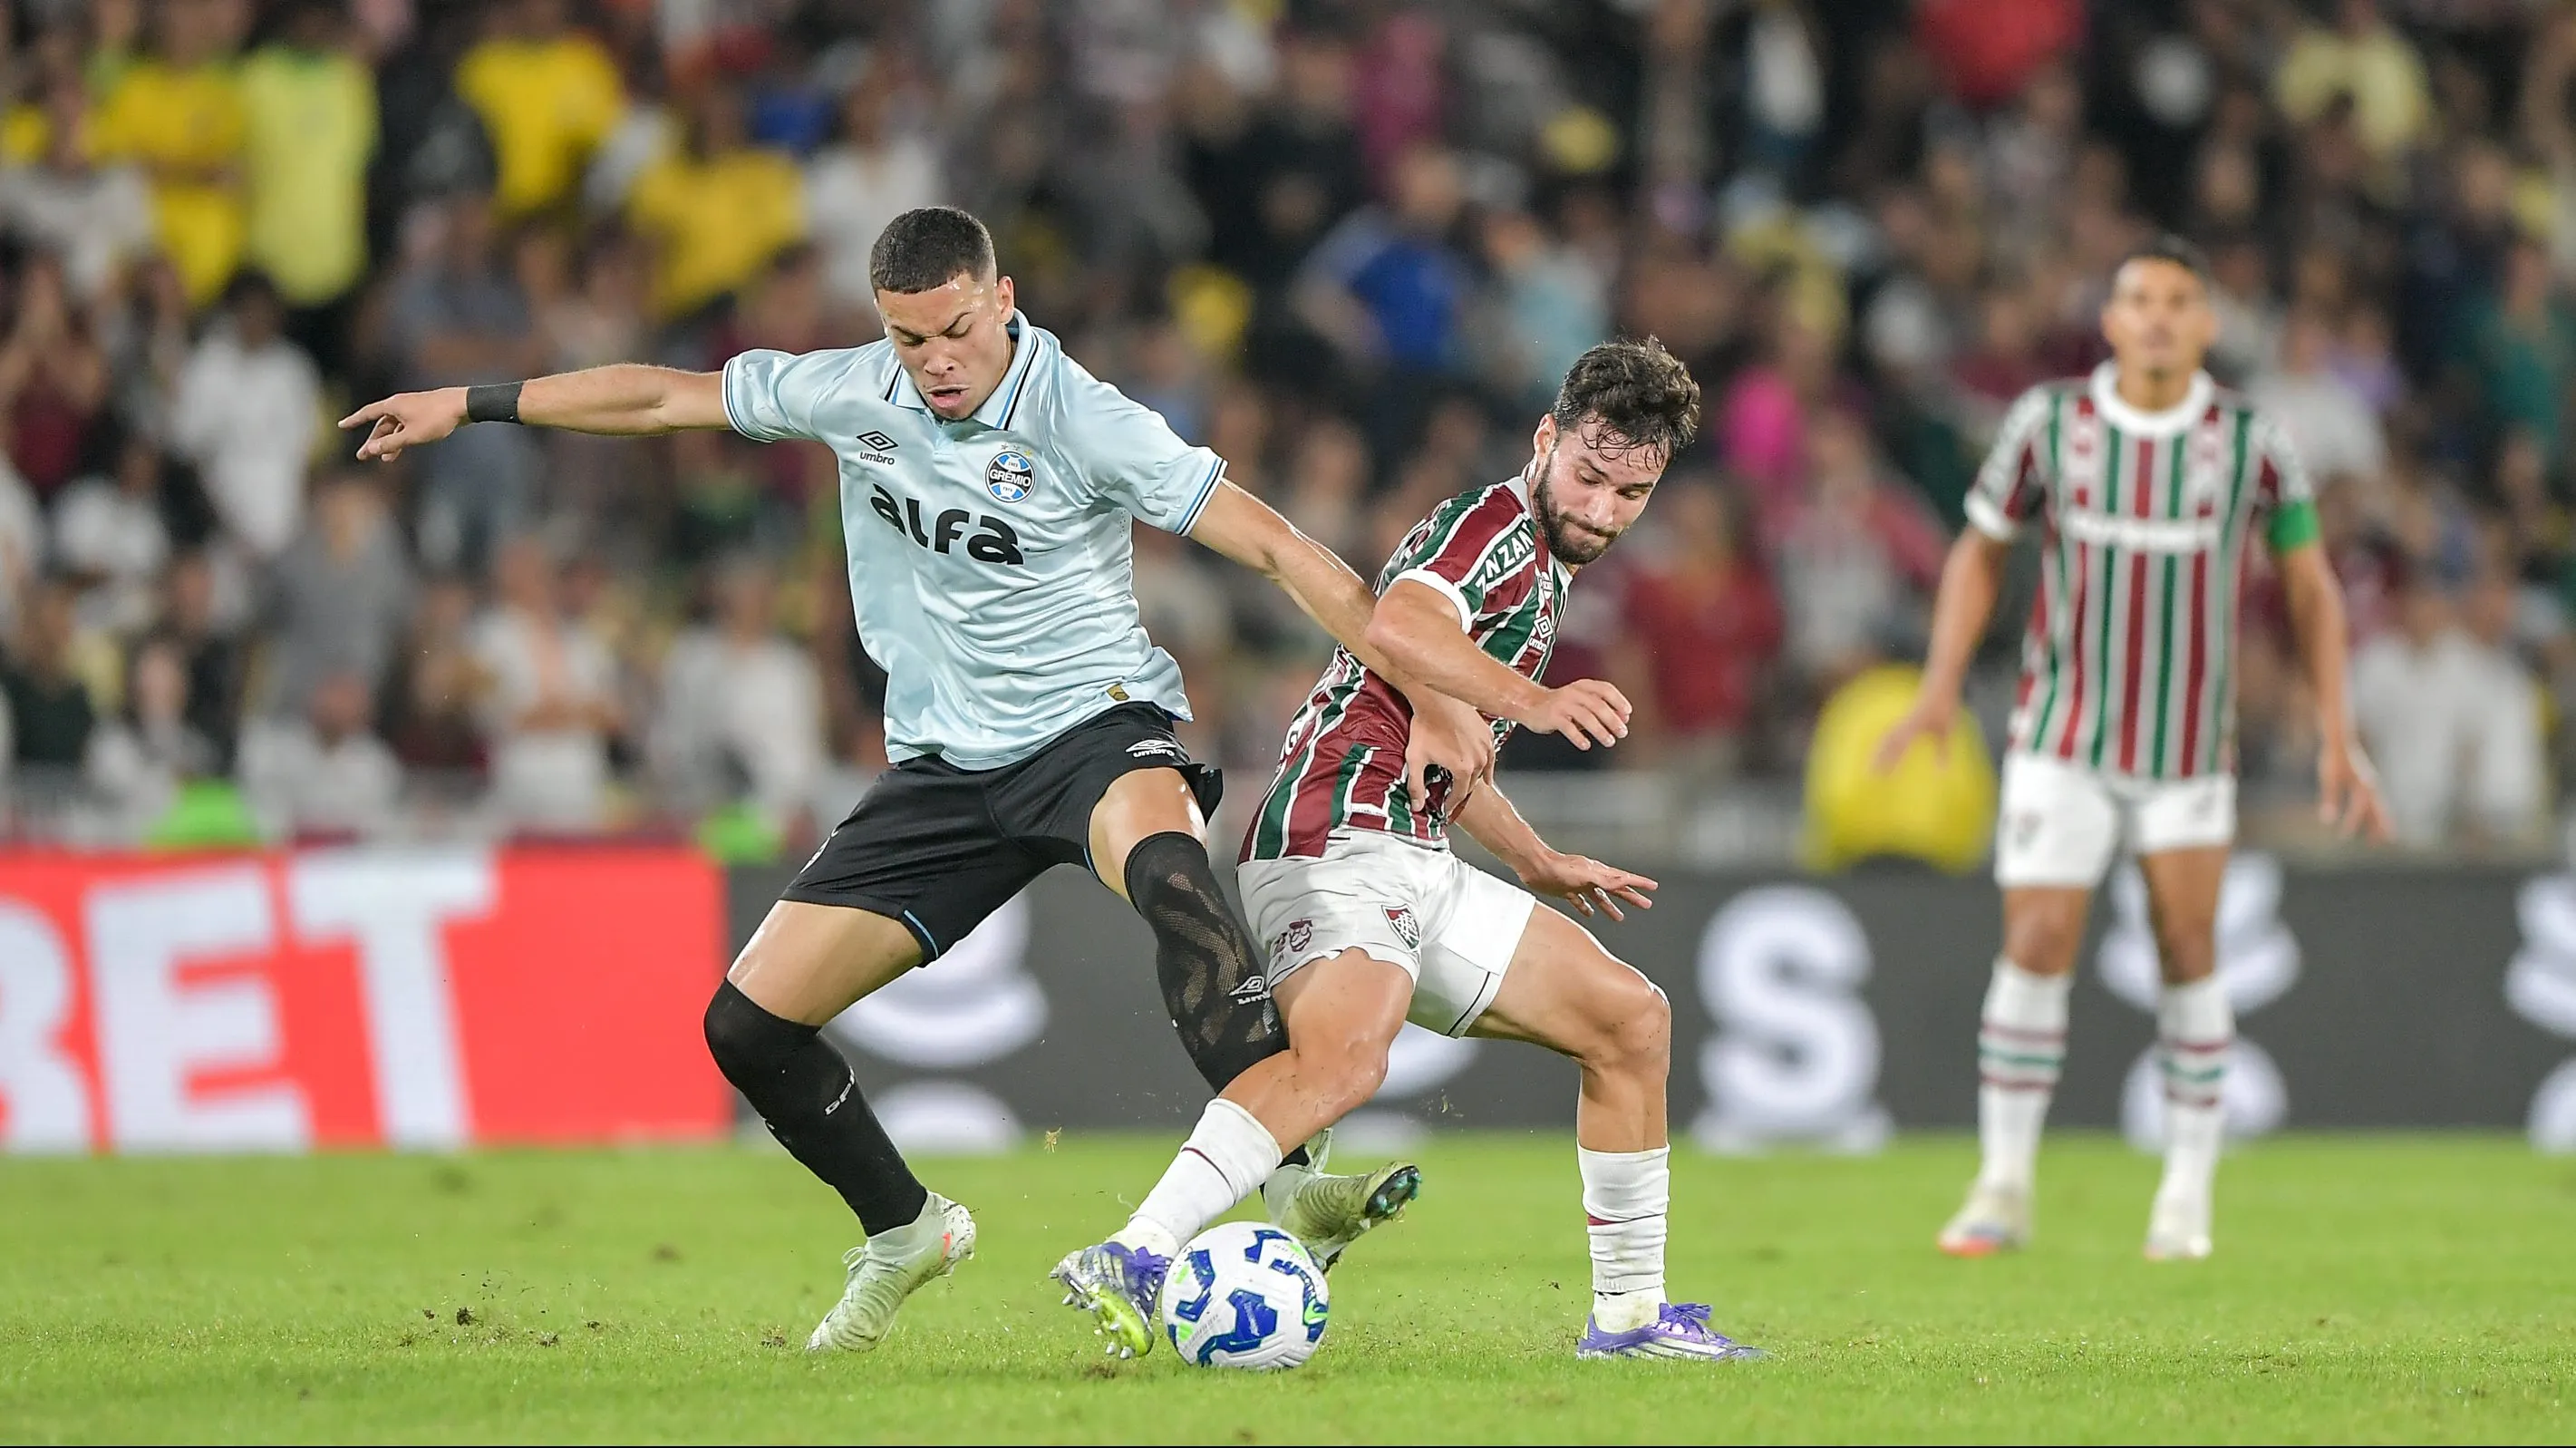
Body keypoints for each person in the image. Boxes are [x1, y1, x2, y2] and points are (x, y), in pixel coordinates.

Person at [338, 207, 1623, 1356]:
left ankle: (1296, 1185)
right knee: (745, 1026)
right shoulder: (853, 391)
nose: (933, 363)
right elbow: (662, 398)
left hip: (1095, 731)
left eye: (954, 330)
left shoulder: (1083, 418)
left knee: (1175, 879)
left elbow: (1288, 555)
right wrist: (474, 401)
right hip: (945, 768)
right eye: (908, 340)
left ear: (1002, 301)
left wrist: (1455, 690)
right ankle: (903, 1229)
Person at [1051, 340, 1764, 1364]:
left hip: (1410, 842)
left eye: (1632, 492)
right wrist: (1536, 699)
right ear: (1546, 438)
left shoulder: (1545, 564)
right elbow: (1399, 623)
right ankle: (1136, 1251)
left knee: (1629, 1021)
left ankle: (1629, 1318)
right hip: (1332, 828)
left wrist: (1533, 855)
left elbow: (1446, 748)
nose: (1604, 509)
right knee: (1343, 1061)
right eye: (1590, 476)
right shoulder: (1495, 532)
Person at [1873, 237, 2392, 1263]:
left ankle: (2185, 1194)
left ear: (2206, 323)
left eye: (2177, 301)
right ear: (2109, 320)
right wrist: (1939, 684)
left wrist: (2339, 730)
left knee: (2187, 947)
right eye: (2138, 299)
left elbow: (2310, 588)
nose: (2156, 317)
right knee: (2035, 939)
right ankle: (2002, 1184)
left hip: (2188, 745)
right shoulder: (2048, 424)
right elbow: (1978, 553)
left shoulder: (2251, 439)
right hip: (2059, 733)